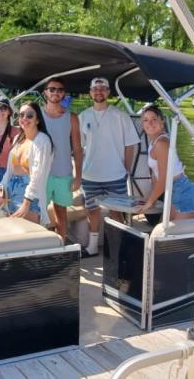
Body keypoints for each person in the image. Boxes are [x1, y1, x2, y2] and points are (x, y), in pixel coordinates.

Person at [79, 77, 140, 256]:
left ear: (108, 92)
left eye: (103, 88)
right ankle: (92, 246)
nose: (99, 91)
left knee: (116, 211)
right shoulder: (83, 116)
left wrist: (125, 169)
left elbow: (131, 145)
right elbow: (80, 148)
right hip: (89, 176)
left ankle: (120, 247)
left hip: (116, 175)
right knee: (92, 211)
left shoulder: (120, 116)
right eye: (95, 88)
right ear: (90, 93)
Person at [137, 105, 194, 223]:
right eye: (145, 120)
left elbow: (164, 178)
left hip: (182, 194)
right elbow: (156, 177)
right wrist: (152, 199)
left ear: (162, 121)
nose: (149, 123)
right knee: (164, 234)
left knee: (170, 237)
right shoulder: (154, 142)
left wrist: (150, 202)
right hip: (171, 193)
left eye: (154, 119)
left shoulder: (162, 142)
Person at [41, 77, 83, 240]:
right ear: (45, 92)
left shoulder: (72, 117)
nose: (56, 92)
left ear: (64, 94)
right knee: (38, 214)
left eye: (59, 90)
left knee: (61, 215)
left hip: (64, 172)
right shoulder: (36, 115)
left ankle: (62, 247)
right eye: (52, 89)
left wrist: (78, 176)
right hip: (42, 173)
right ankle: (39, 248)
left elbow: (78, 149)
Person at [0, 101, 53, 225]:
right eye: (21, 115)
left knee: (29, 235)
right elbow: (9, 171)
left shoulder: (42, 141)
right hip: (11, 190)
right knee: (13, 232)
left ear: (37, 120)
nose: (24, 118)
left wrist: (26, 202)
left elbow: (38, 175)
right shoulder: (18, 139)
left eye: (29, 115)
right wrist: (1, 188)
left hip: (30, 194)